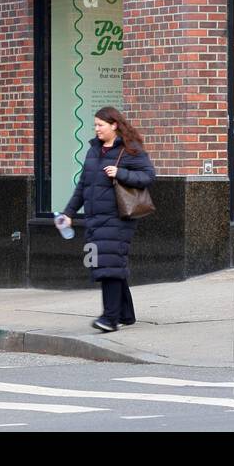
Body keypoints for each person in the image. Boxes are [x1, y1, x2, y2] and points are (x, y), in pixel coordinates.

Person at [58, 107, 156, 332]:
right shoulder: (94, 151)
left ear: (114, 125)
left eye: (100, 125)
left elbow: (149, 176)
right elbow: (83, 185)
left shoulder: (130, 150)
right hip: (96, 218)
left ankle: (110, 319)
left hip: (119, 218)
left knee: (108, 265)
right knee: (110, 263)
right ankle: (125, 314)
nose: (97, 129)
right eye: (95, 125)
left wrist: (120, 173)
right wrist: (69, 213)